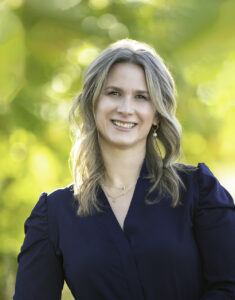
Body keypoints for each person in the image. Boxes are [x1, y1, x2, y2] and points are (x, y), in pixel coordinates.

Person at [13, 39, 235, 300]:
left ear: (157, 115)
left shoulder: (199, 192)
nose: (126, 109)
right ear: (93, 103)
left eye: (141, 97)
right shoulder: (54, 215)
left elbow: (229, 288)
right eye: (114, 93)